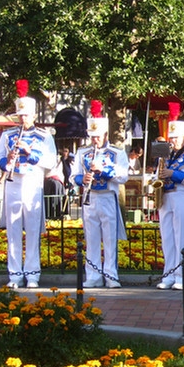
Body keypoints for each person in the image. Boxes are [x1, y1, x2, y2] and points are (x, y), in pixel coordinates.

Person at [0, 79, 57, 288]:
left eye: (26, 115)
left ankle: (32, 274)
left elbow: (50, 162)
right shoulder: (7, 135)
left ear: (33, 115)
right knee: (13, 231)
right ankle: (14, 275)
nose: (23, 118)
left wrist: (30, 153)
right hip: (13, 184)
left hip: (32, 183)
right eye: (20, 114)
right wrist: (7, 159)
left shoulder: (44, 136)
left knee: (32, 230)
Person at [72, 100, 128, 288]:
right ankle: (93, 276)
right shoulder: (82, 152)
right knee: (92, 238)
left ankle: (111, 276)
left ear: (105, 134)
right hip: (90, 198)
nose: (95, 140)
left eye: (98, 136)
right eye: (92, 136)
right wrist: (83, 179)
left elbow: (123, 176)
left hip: (107, 198)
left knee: (110, 238)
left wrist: (103, 170)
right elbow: (74, 176)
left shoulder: (116, 153)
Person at [155, 103, 184, 291]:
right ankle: (167, 275)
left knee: (180, 238)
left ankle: (180, 276)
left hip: (182, 197)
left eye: (176, 137)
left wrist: (172, 174)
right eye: (171, 137)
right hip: (165, 198)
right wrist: (156, 179)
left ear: (183, 138)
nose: (172, 140)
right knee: (167, 238)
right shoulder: (164, 156)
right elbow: (157, 175)